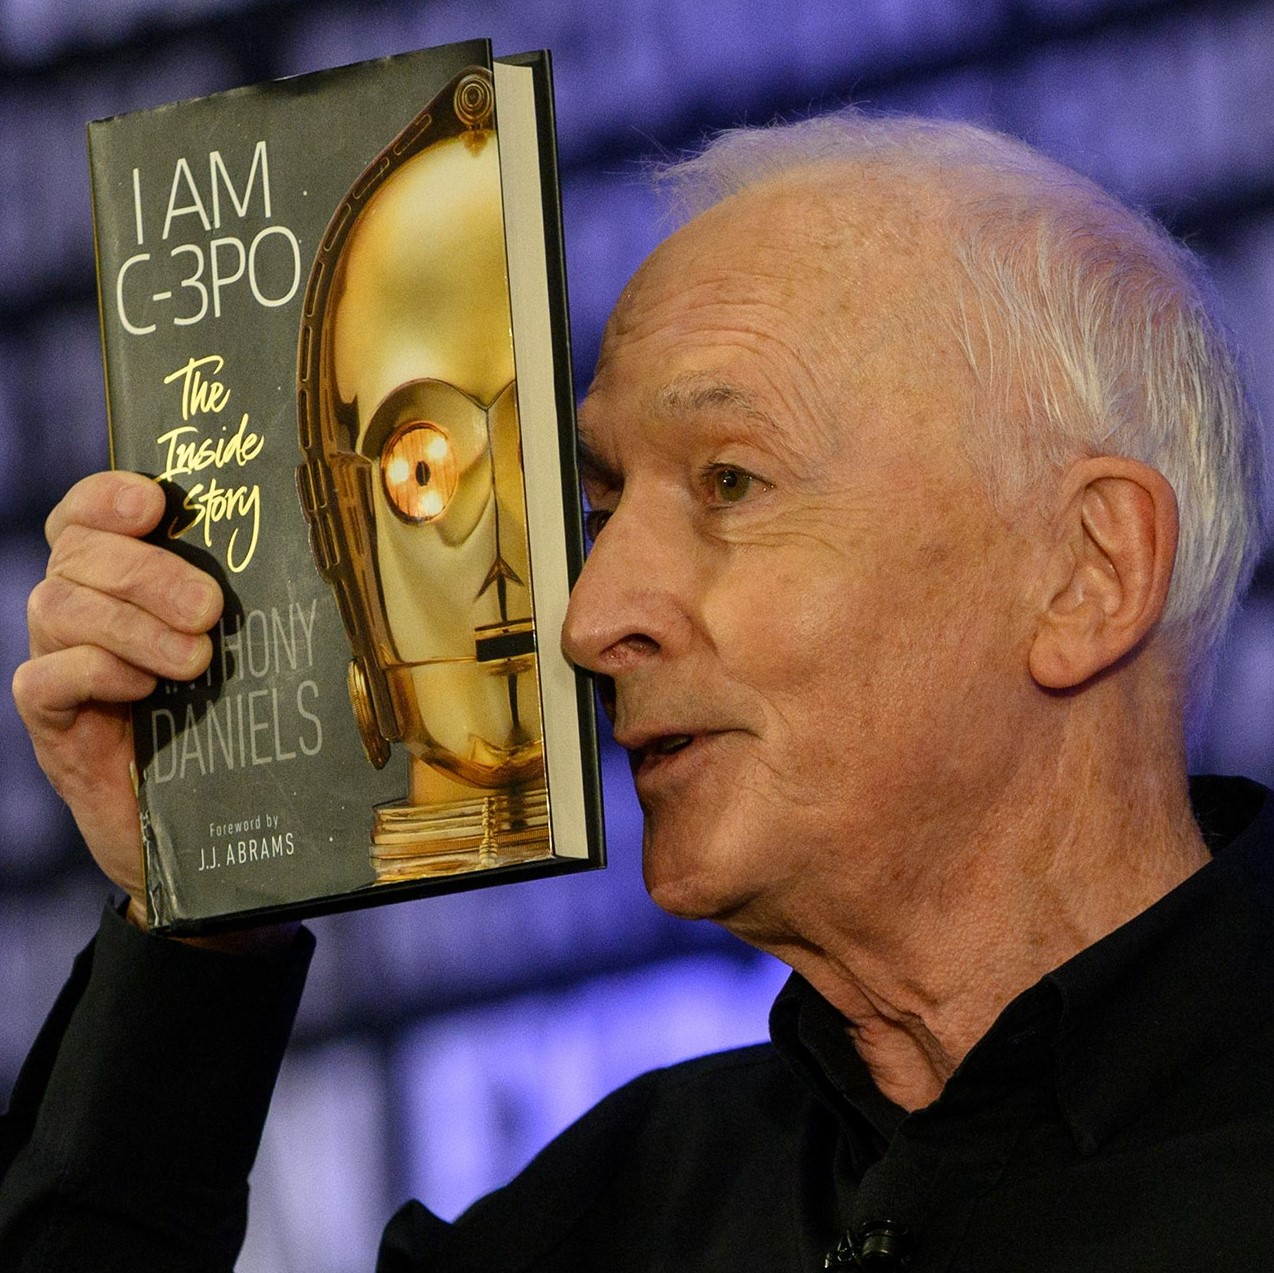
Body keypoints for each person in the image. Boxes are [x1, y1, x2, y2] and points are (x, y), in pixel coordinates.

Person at [1, 108, 1271, 1270]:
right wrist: (206, 883)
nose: (591, 617)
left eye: (729, 482)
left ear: (1086, 573)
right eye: (603, 503)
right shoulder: (605, 1218)